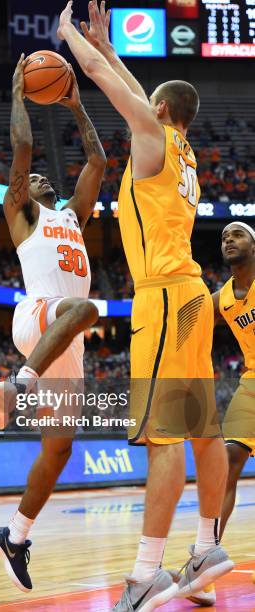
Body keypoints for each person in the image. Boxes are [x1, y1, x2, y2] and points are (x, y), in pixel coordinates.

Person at [57, 1, 233, 609]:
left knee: (164, 441)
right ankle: (208, 546)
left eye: (147, 101)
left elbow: (112, 87)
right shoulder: (179, 150)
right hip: (194, 298)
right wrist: (109, 47)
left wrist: (73, 41)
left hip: (163, 299)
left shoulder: (152, 135)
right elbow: (130, 85)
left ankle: (146, 573)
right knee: (204, 433)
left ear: (158, 110)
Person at [0, 54, 105, 591]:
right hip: (37, 316)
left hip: (64, 343)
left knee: (59, 449)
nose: (37, 176)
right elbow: (23, 149)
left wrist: (77, 104)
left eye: (40, 177)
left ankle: (15, 535)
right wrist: (18, 94)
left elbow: (98, 162)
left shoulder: (72, 216)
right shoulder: (22, 214)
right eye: (29, 179)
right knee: (87, 309)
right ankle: (16, 385)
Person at [190, 222, 255, 606]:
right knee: (226, 461)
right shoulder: (222, 298)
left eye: (238, 235)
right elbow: (191, 324)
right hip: (253, 382)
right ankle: (205, 560)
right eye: (224, 237)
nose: (229, 239)